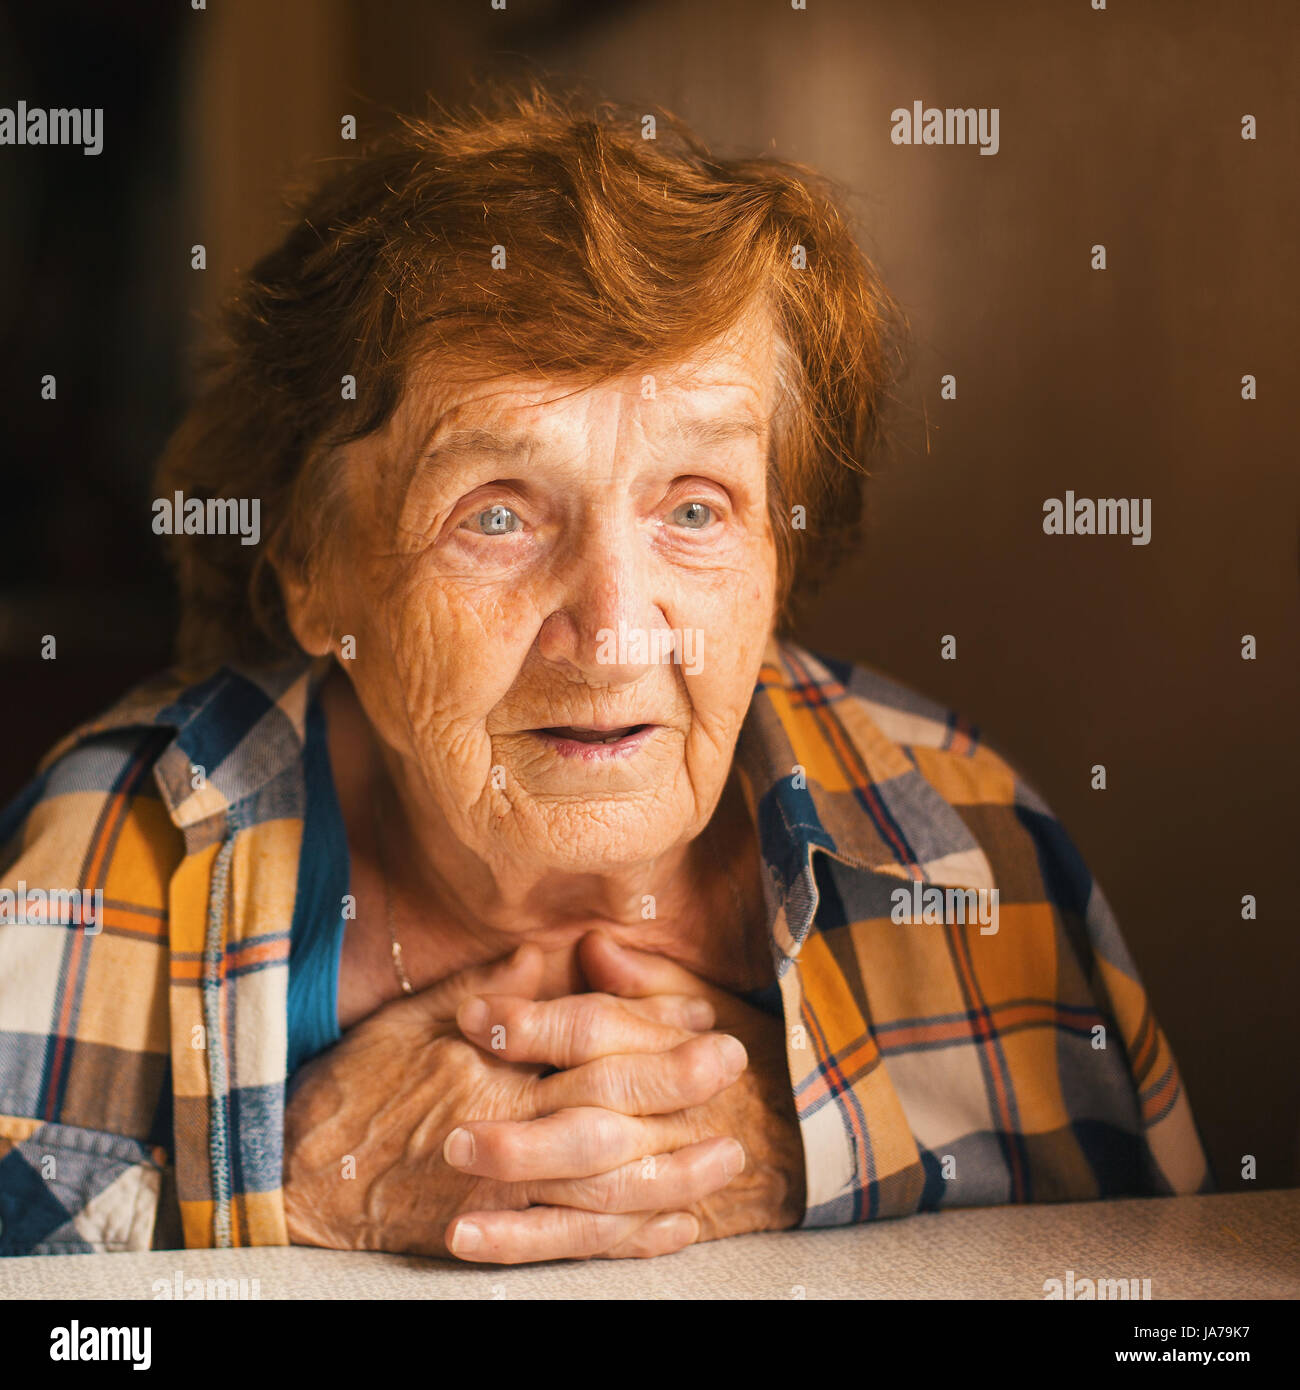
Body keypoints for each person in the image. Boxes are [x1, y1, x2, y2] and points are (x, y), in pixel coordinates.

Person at [0, 85, 1211, 1263]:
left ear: (779, 558)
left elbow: (1168, 1292)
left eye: (695, 507)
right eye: (497, 515)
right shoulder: (124, 840)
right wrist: (298, 1173)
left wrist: (808, 1152)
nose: (617, 630)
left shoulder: (965, 843)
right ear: (314, 569)